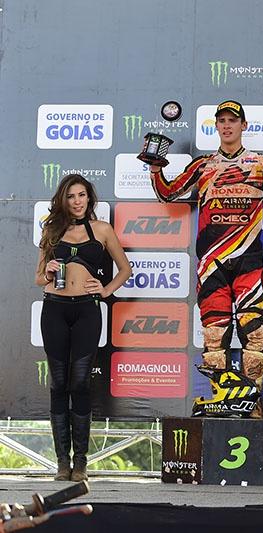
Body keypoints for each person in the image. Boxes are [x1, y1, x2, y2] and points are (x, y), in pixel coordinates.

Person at [149, 100, 263, 418]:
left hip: (248, 260)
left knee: (255, 331)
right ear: (216, 126)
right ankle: (222, 400)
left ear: (244, 126)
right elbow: (169, 193)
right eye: (221, 121)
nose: (227, 126)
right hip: (212, 263)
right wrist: (156, 169)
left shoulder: (260, 165)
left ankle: (251, 403)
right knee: (214, 335)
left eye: (232, 121)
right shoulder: (202, 166)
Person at [36, 174, 132, 482]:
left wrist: (105, 289)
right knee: (59, 383)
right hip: (54, 310)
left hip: (87, 312)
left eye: (81, 195)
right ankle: (62, 463)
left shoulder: (102, 229)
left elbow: (125, 269)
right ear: (62, 200)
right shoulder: (51, 230)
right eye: (71, 196)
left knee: (79, 383)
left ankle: (80, 462)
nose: (77, 201)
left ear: (89, 198)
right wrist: (48, 270)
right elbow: (39, 278)